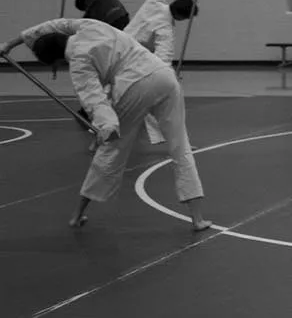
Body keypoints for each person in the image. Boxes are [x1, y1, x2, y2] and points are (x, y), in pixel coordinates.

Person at [2, 19, 211, 231]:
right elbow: (51, 25)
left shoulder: (79, 64)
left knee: (110, 150)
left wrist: (107, 125)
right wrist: (11, 43)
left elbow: (93, 99)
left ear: (54, 61)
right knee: (180, 145)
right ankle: (197, 218)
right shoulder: (89, 25)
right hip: (163, 74)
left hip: (133, 86)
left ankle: (77, 214)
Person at [122, 0, 210, 144]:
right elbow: (163, 59)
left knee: (116, 97)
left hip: (118, 48)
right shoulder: (165, 30)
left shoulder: (155, 1)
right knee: (159, 98)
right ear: (180, 15)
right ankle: (172, 138)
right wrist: (171, 77)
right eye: (186, 19)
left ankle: (101, 133)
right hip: (132, 60)